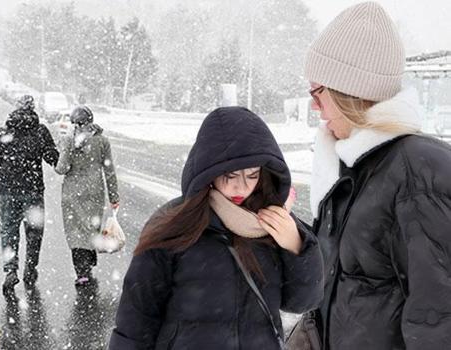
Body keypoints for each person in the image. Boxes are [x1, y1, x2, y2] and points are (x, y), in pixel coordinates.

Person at [109, 107, 323, 349]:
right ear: (209, 171)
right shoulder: (173, 223)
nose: (242, 188)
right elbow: (136, 320)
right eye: (231, 176)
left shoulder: (272, 222)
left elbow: (303, 302)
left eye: (252, 175)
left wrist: (297, 245)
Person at [304, 2, 451, 349]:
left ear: (348, 92)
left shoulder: (418, 174)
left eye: (317, 92)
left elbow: (439, 317)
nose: (313, 105)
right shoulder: (350, 166)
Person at [0, 95, 59, 295]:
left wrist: (2, 176)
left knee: (8, 231)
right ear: (33, 110)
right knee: (34, 232)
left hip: (9, 191)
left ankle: (10, 270)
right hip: (33, 191)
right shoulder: (40, 132)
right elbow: (53, 158)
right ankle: (30, 268)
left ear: (15, 110)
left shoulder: (2, 132)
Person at [54, 106, 120, 286]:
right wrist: (114, 196)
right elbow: (109, 170)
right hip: (94, 190)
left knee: (76, 231)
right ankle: (89, 263)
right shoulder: (102, 141)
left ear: (74, 122)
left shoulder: (68, 140)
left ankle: (82, 272)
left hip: (72, 192)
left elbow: (62, 168)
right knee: (91, 227)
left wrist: (59, 156)